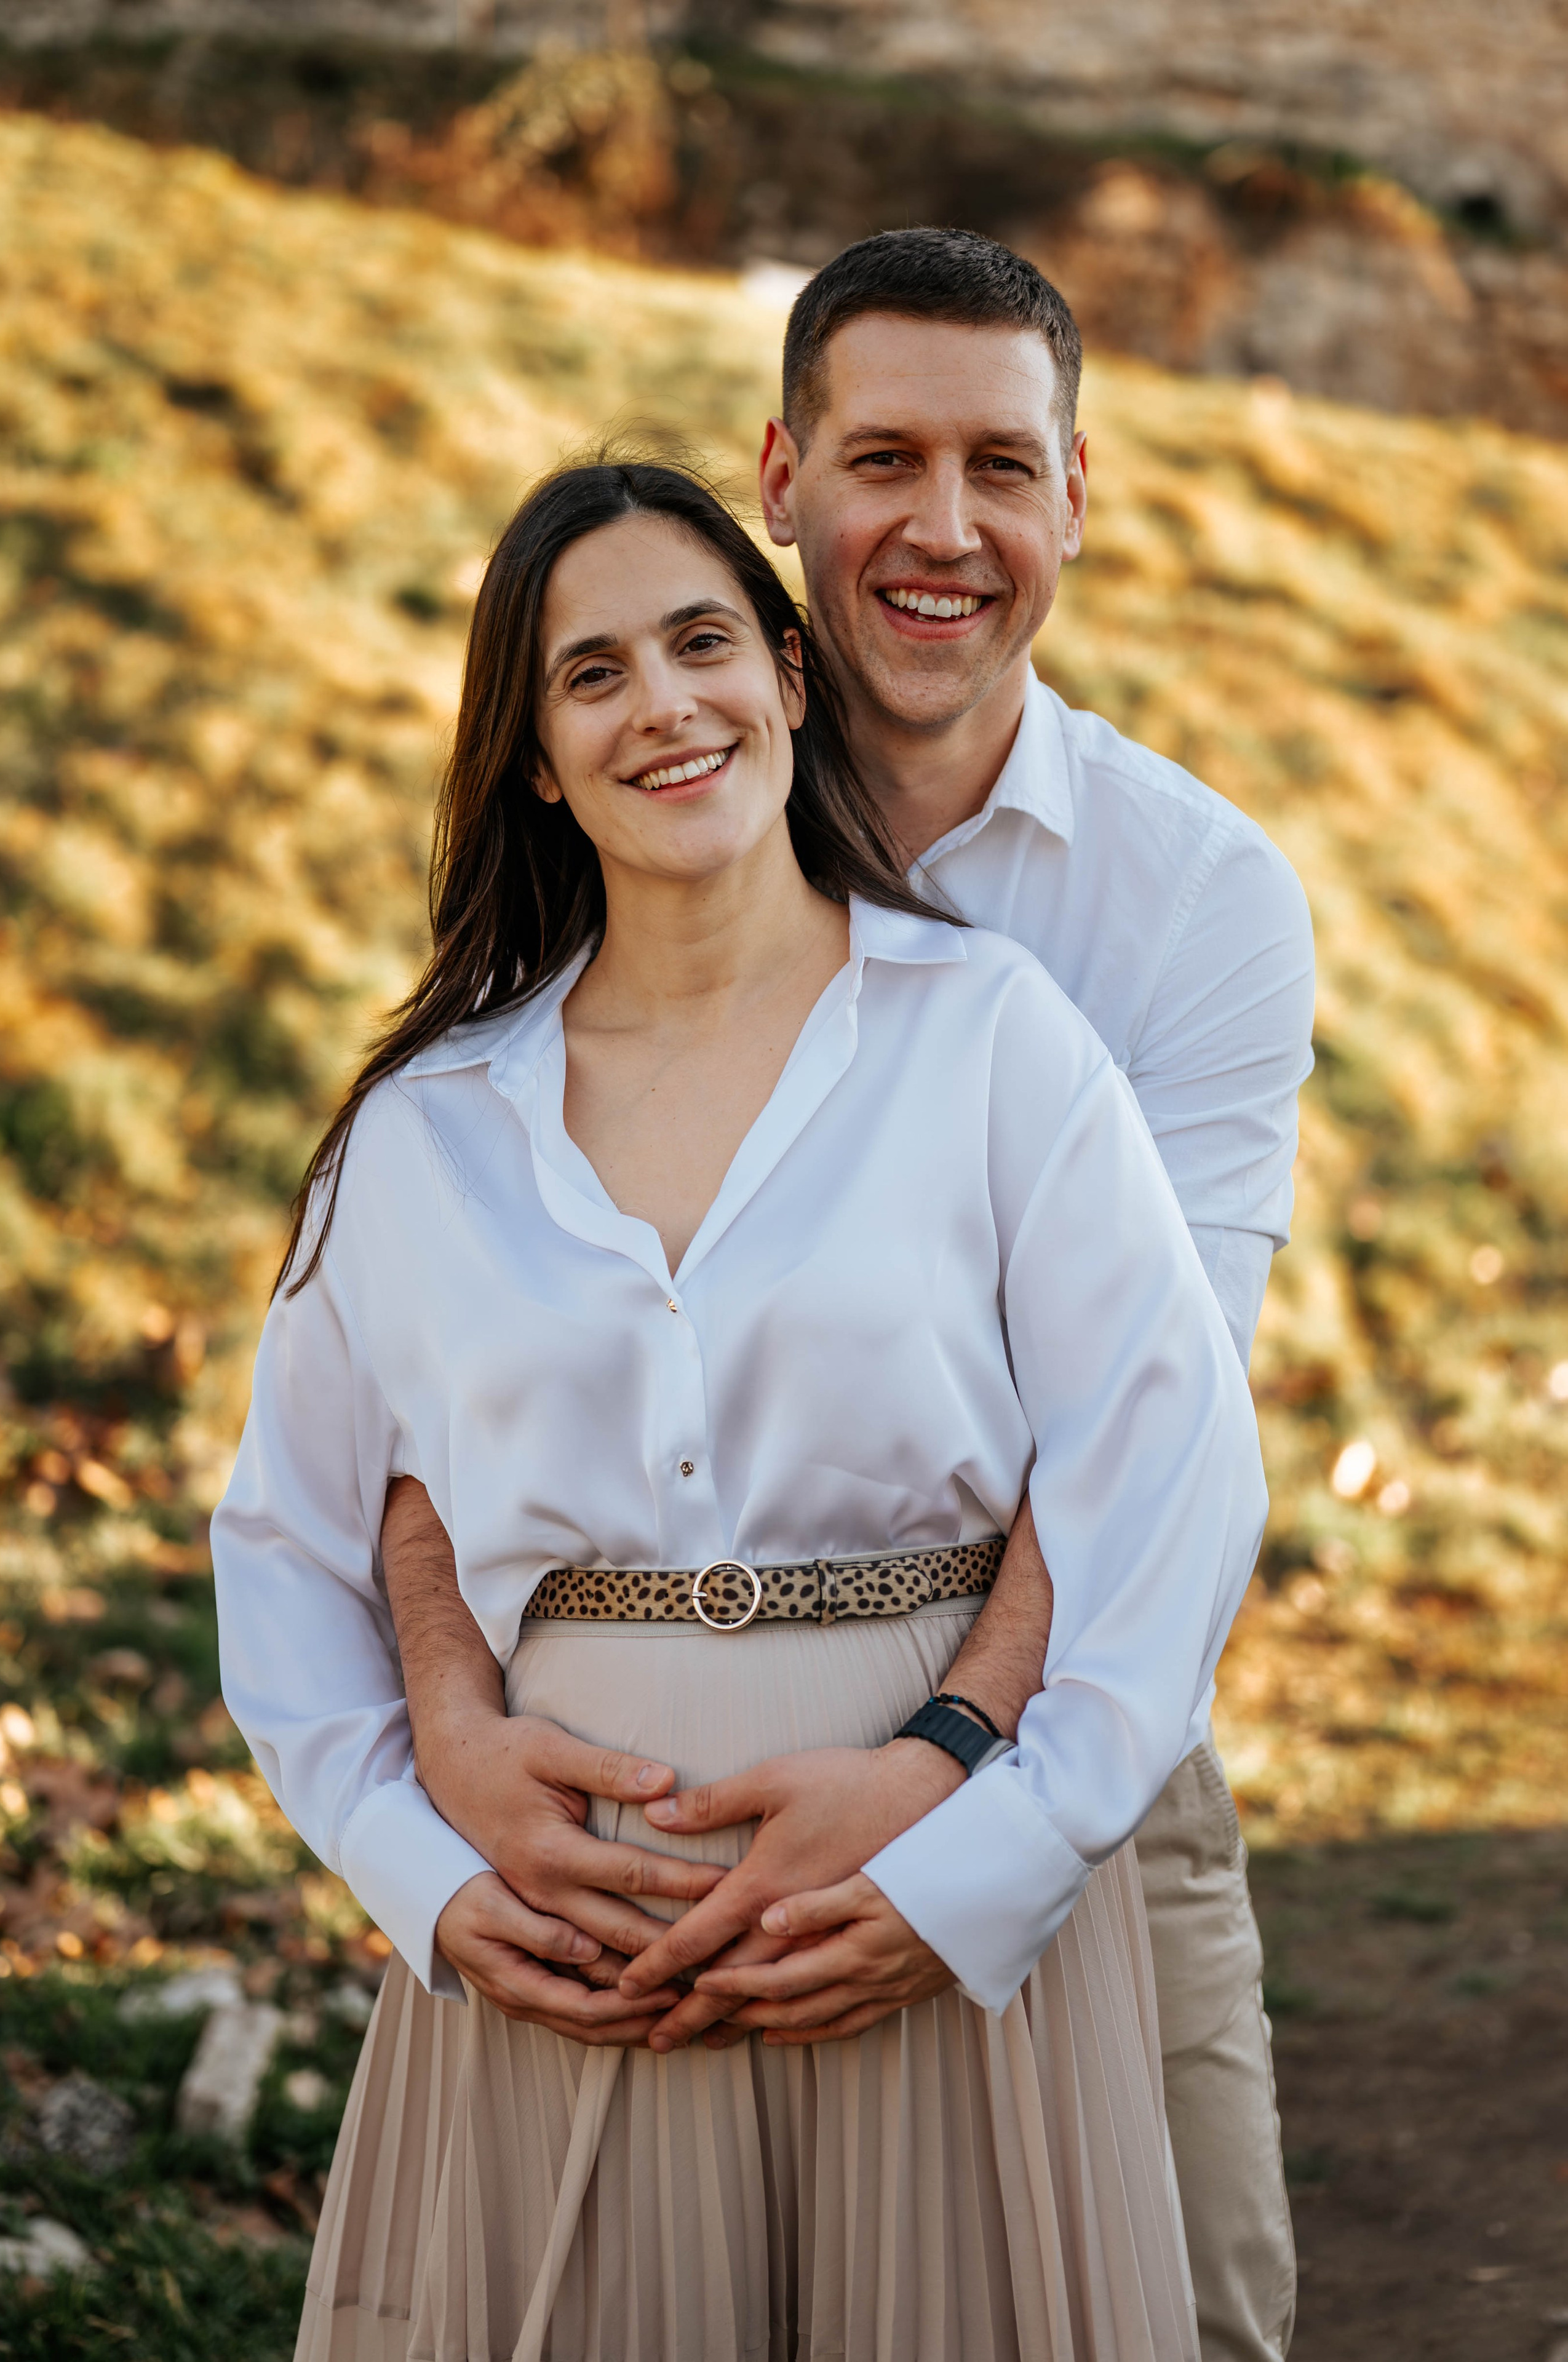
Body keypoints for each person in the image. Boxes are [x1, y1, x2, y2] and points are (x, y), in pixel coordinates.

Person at [213, 453, 1268, 2360]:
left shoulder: (997, 1041)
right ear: (534, 756)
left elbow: (1168, 1480)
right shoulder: (426, 1133)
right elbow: (293, 1539)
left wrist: (971, 1856)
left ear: (791, 677)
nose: (664, 704)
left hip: (937, 1930)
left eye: (704, 641)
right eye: (590, 672)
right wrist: (428, 1870)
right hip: (579, 1956)